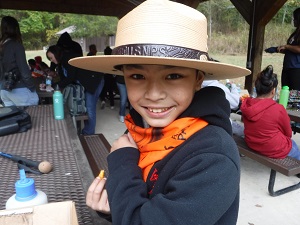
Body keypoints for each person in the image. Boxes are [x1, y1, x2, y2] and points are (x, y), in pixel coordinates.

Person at [70, 0, 250, 224]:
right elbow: (146, 206)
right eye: (137, 76)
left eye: (173, 76)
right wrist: (113, 206)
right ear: (123, 77)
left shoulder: (213, 158)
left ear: (197, 79)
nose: (154, 94)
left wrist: (123, 162)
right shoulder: (142, 128)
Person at [241, 65, 300, 160]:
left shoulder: (247, 104)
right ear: (273, 91)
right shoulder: (278, 108)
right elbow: (288, 133)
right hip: (272, 148)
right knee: (294, 146)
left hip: (251, 143)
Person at [46, 44, 104, 135]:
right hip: (86, 83)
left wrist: (53, 86)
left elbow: (70, 78)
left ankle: (89, 133)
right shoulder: (61, 63)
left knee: (89, 108)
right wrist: (53, 84)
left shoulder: (68, 58)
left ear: (56, 54)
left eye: (51, 58)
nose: (51, 60)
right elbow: (63, 79)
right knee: (85, 107)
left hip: (94, 81)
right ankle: (86, 130)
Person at [0, 16, 39, 106]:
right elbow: (24, 72)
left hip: (4, 91)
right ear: (16, 29)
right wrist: (32, 88)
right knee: (33, 117)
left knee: (13, 119)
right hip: (19, 89)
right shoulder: (16, 45)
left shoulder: (2, 46)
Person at [266, 8, 300, 90]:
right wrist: (277, 49)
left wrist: (287, 46)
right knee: (285, 91)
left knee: (294, 95)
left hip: (296, 69)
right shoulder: (296, 33)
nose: (293, 20)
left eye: (295, 18)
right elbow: (292, 49)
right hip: (287, 67)